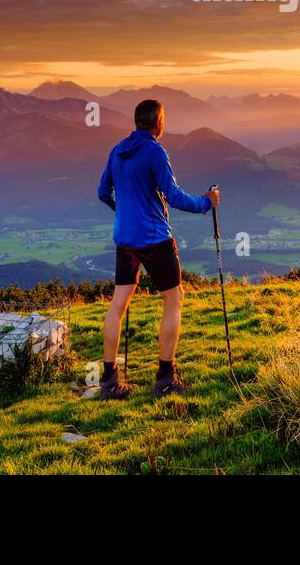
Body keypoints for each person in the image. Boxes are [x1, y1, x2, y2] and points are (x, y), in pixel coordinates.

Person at [96, 98, 218, 399]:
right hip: (154, 238)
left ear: (136, 121)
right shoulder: (154, 152)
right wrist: (206, 202)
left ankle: (109, 382)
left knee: (117, 305)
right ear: (159, 123)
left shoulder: (117, 151)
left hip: (125, 238)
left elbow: (103, 192)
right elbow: (174, 196)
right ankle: (165, 379)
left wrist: (124, 212)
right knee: (174, 297)